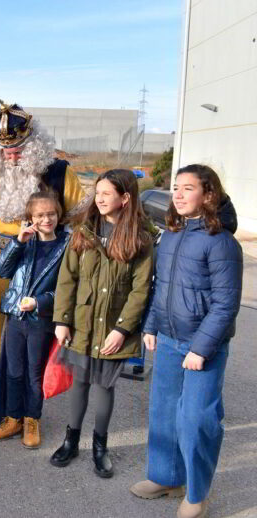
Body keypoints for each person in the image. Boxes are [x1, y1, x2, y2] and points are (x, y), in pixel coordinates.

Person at [131, 165, 242, 518]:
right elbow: (159, 287)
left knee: (196, 421)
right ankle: (166, 478)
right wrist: (150, 326)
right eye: (175, 187)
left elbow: (226, 304)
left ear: (208, 195)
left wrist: (199, 348)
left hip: (201, 348)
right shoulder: (171, 235)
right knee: (163, 415)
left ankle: (196, 494)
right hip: (166, 339)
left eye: (187, 188)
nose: (177, 194)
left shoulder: (221, 242)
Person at [0, 101, 88, 415]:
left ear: (34, 145)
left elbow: (79, 222)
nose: (11, 157)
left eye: (19, 150)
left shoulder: (60, 173)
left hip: (41, 270)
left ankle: (25, 414)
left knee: (31, 351)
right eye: (5, 152)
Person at [49, 169, 153, 479]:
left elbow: (141, 289)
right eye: (98, 192)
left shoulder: (140, 238)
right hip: (82, 324)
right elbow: (67, 278)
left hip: (113, 329)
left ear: (125, 198)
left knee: (105, 386)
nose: (100, 198)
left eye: (107, 193)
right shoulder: (83, 232)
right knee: (80, 382)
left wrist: (122, 329)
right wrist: (62, 320)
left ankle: (100, 446)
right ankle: (71, 441)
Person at [0, 191, 70, 449]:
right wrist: (18, 242)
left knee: (33, 374)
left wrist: (40, 302)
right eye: (40, 215)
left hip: (40, 320)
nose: (46, 219)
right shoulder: (24, 241)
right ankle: (13, 419)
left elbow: (68, 289)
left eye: (51, 214)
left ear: (58, 215)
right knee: (13, 371)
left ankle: (32, 420)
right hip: (15, 317)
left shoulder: (66, 245)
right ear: (30, 217)